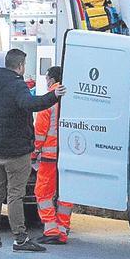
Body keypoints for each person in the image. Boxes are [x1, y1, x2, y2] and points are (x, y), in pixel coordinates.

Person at [0, 49, 66, 252]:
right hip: (16, 151)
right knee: (15, 195)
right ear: (20, 66)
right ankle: (20, 238)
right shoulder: (17, 85)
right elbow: (31, 104)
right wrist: (54, 95)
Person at [33, 66, 73, 245]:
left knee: (43, 192)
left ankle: (51, 229)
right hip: (69, 154)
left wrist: (34, 153)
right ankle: (63, 229)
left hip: (50, 156)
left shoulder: (48, 100)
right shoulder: (73, 98)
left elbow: (40, 132)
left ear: (51, 79)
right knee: (65, 193)